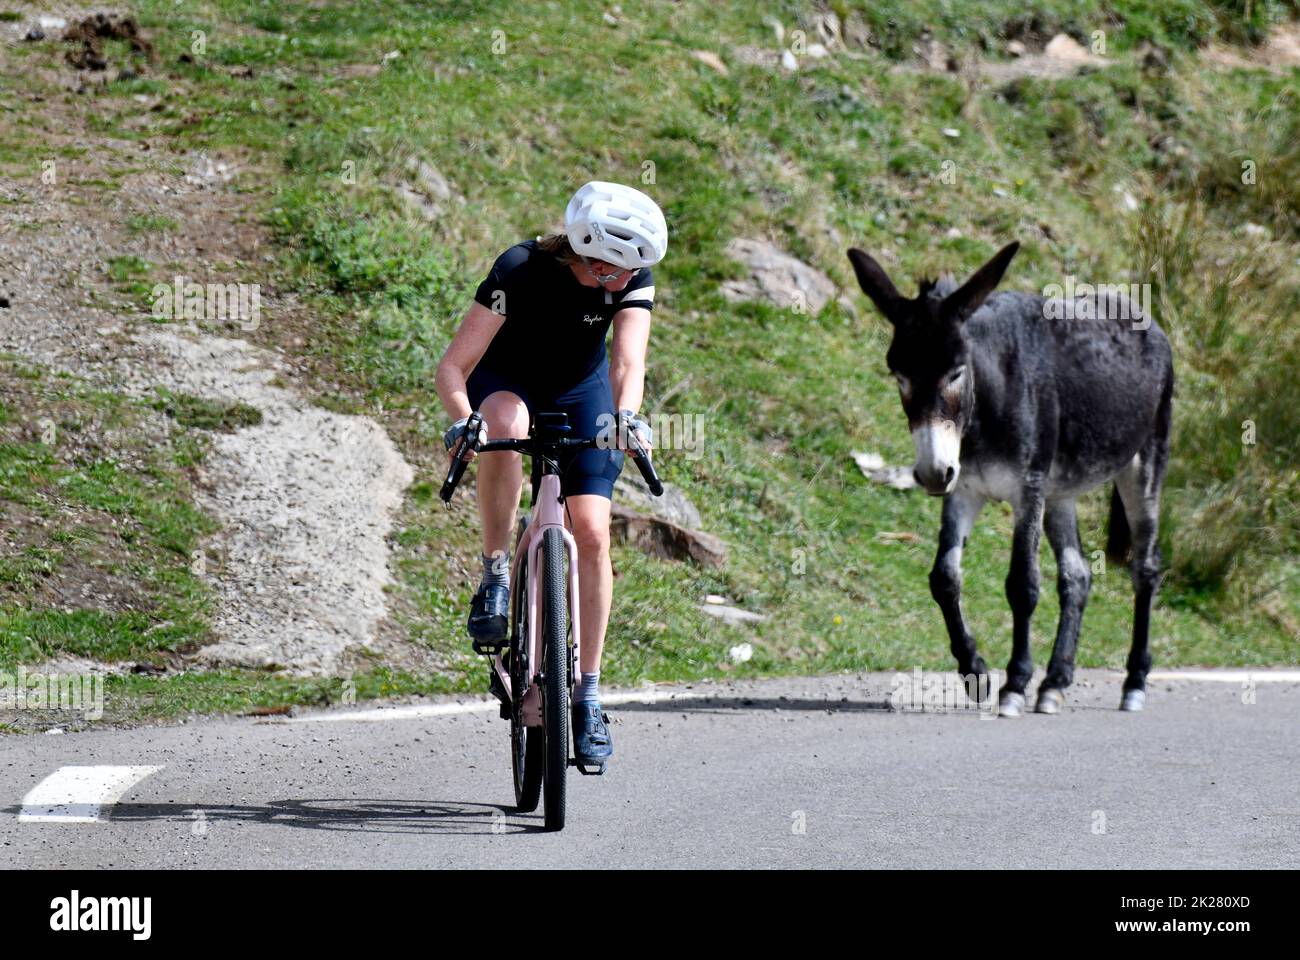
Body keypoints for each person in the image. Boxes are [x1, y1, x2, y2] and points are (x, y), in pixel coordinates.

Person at [434, 181, 667, 768]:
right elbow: (454, 367)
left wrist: (627, 416)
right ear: (584, 251)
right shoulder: (520, 269)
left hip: (578, 393)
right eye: (610, 270)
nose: (619, 281)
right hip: (506, 381)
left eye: (627, 273)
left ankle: (587, 695)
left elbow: (626, 360)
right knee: (505, 422)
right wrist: (466, 422)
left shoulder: (631, 276)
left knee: (590, 531)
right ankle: (495, 572)